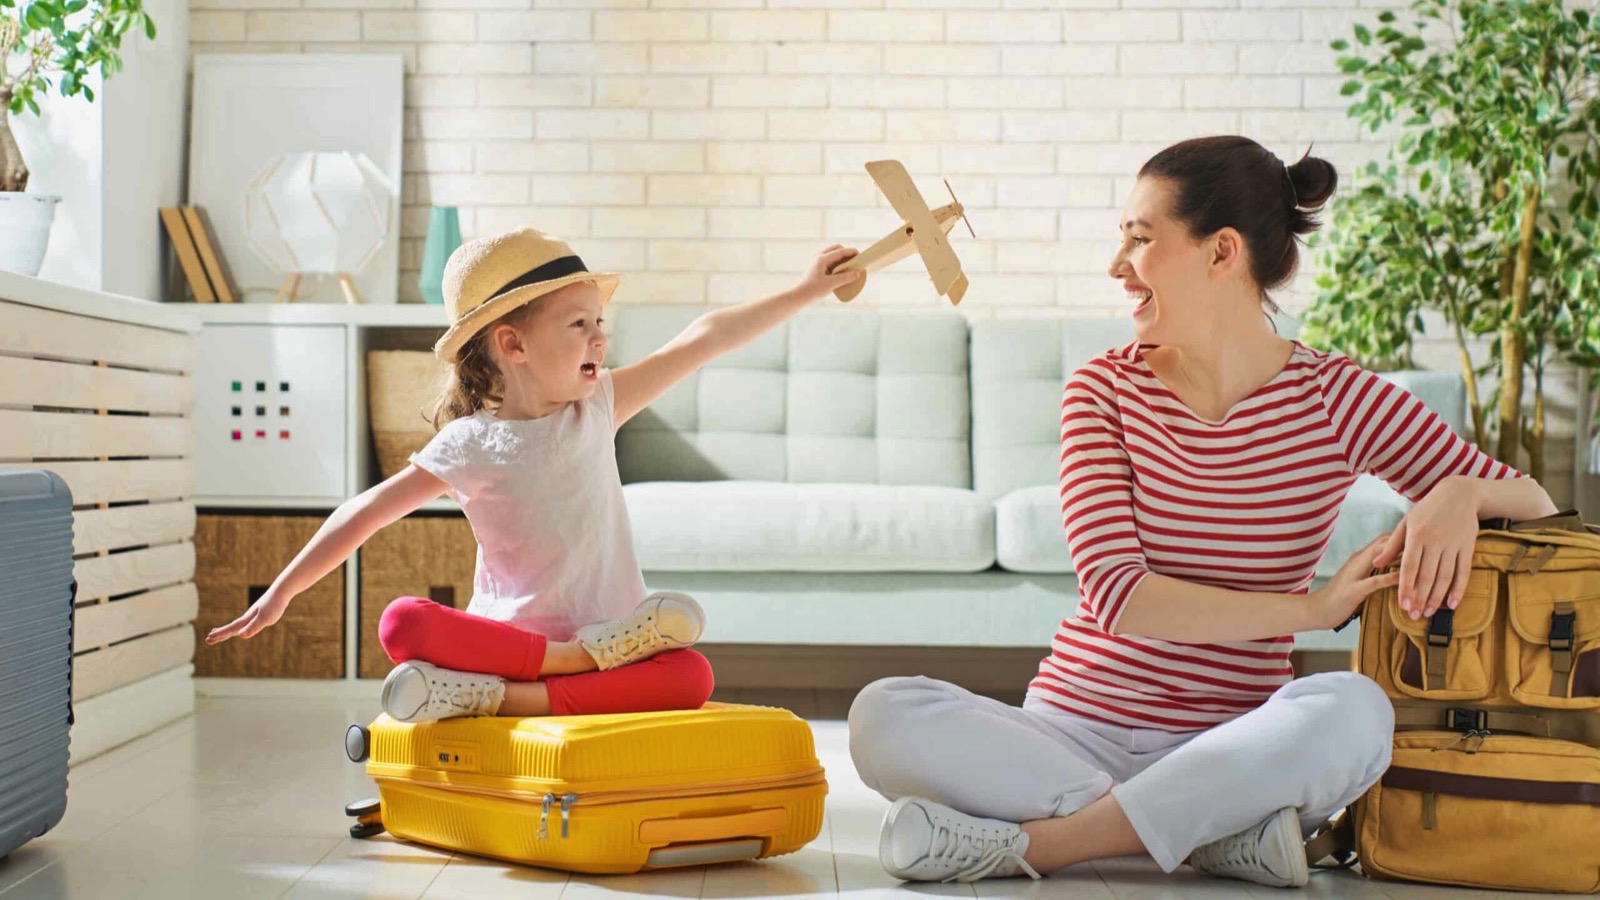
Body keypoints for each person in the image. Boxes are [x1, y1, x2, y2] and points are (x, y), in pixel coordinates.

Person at [846, 136, 1559, 888]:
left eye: (1140, 239)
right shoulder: (1104, 392)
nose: (1117, 265)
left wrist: (1458, 492)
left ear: (1221, 253)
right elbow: (1120, 597)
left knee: (1355, 713)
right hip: (1069, 734)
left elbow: (1539, 508)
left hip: (1229, 741)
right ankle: (1208, 836)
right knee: (882, 713)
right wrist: (1312, 610)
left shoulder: (1336, 399)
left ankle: (1046, 845)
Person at [207, 227, 862, 723]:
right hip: (518, 644)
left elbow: (702, 339)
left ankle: (509, 702)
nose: (600, 340)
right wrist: (283, 591)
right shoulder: (470, 443)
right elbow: (368, 512)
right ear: (512, 344)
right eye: (579, 325)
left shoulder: (599, 405)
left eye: (599, 324)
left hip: (615, 640)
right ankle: (558, 676)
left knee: (691, 675)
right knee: (403, 623)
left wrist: (806, 289)